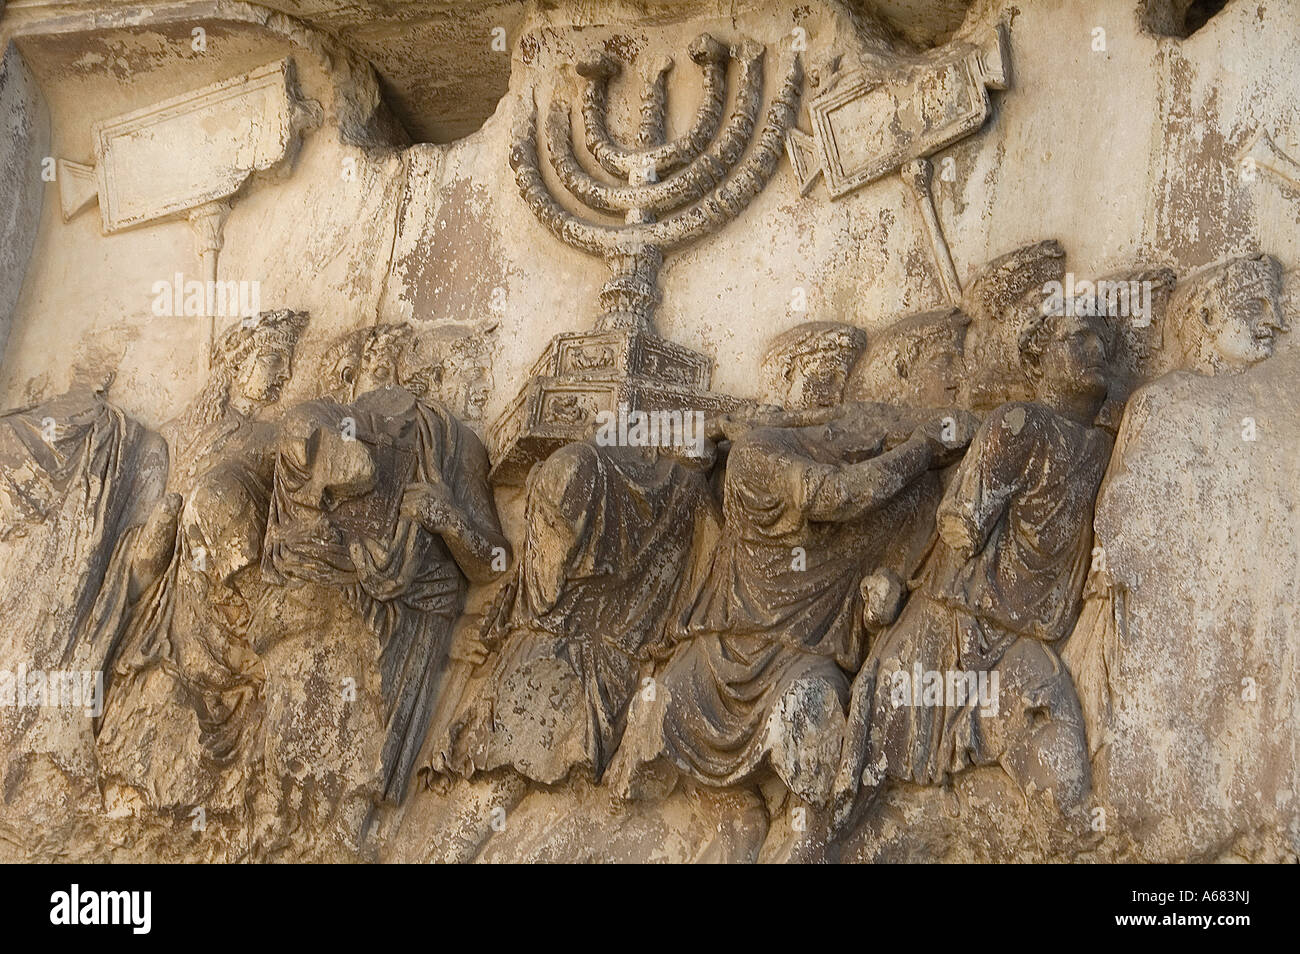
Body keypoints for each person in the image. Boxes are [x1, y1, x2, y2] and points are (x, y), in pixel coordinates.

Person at [833, 308, 1114, 829]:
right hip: (953, 628)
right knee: (861, 799)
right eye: (1076, 338)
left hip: (1006, 633)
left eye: (1101, 341)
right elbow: (959, 525)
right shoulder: (1027, 424)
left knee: (1063, 793)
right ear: (1039, 359)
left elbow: (966, 521)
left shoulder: (1084, 438)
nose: (1094, 349)